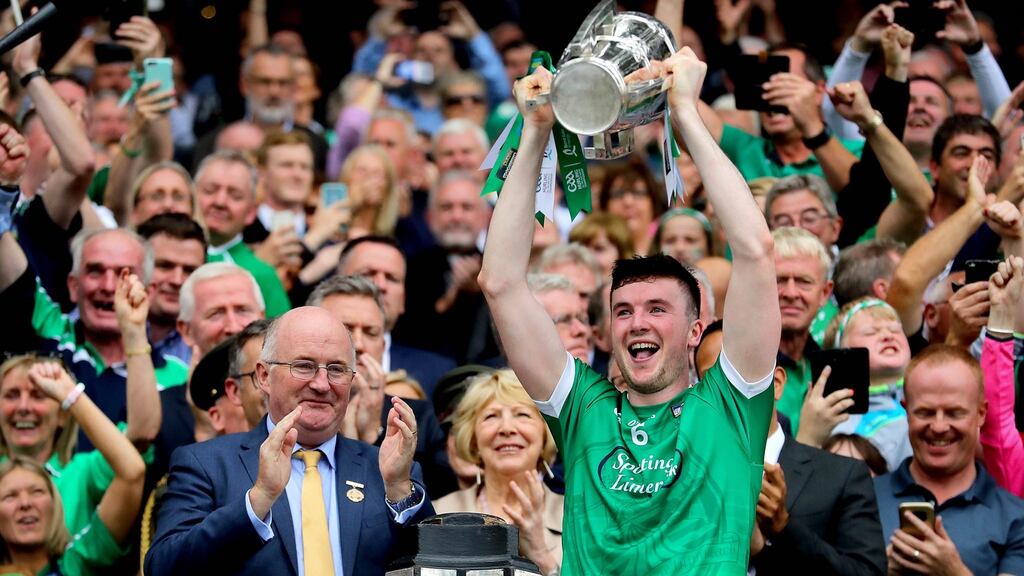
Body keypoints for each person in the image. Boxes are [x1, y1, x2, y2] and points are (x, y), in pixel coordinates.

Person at [479, 49, 780, 573]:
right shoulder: (583, 410)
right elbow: (501, 282)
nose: (637, 322)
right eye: (623, 311)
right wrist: (534, 133)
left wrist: (684, 111)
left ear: (695, 331)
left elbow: (755, 251)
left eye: (658, 308)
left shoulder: (732, 407)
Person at [145, 306, 434, 575]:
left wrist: (398, 489)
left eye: (336, 369)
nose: (322, 385)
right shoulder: (206, 463)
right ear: (263, 377)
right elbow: (164, 567)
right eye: (304, 366)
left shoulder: (387, 469)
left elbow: (435, 567)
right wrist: (258, 500)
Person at [694, 323, 886, 576]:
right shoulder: (680, 477)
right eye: (713, 382)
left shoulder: (841, 476)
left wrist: (783, 528)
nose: (729, 393)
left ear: (776, 383)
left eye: (741, 377)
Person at [873, 345, 1024, 575]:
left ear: (981, 414)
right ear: (906, 411)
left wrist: (952, 571)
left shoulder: (1016, 519)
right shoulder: (862, 497)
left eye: (955, 413)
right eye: (925, 412)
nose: (939, 427)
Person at [307, 275, 455, 498]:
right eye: (345, 329)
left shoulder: (417, 417)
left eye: (371, 332)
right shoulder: (295, 408)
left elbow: (436, 503)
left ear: (383, 345)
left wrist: (374, 437)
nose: (359, 344)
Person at [0, 361, 147, 575]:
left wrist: (68, 393)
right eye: (9, 497)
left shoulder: (75, 563)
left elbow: (132, 471)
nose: (25, 504)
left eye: (38, 492)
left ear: (56, 506)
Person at [434, 369, 563, 575]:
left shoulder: (578, 516)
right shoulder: (438, 515)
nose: (506, 428)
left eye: (522, 414)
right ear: (473, 436)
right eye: (491, 416)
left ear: (545, 431)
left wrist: (541, 557)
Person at [801, 298, 914, 471]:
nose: (887, 335)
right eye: (871, 332)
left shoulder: (929, 397)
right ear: (841, 350)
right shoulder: (839, 422)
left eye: (895, 329)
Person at [337, 236, 456, 397]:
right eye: (368, 274)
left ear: (403, 299)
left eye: (392, 278)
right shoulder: (307, 359)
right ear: (334, 286)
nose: (380, 285)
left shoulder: (439, 373)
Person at [195, 150, 291, 317]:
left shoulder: (264, 275)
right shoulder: (172, 259)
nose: (220, 202)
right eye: (210, 191)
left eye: (235, 196)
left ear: (251, 212)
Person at [773, 227, 834, 434]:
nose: (791, 293)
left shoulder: (831, 367)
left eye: (804, 282)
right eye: (779, 280)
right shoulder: (739, 368)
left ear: (825, 293)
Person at [137, 213, 208, 366]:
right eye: (165, 266)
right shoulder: (98, 322)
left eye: (189, 270)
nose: (177, 280)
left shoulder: (210, 342)